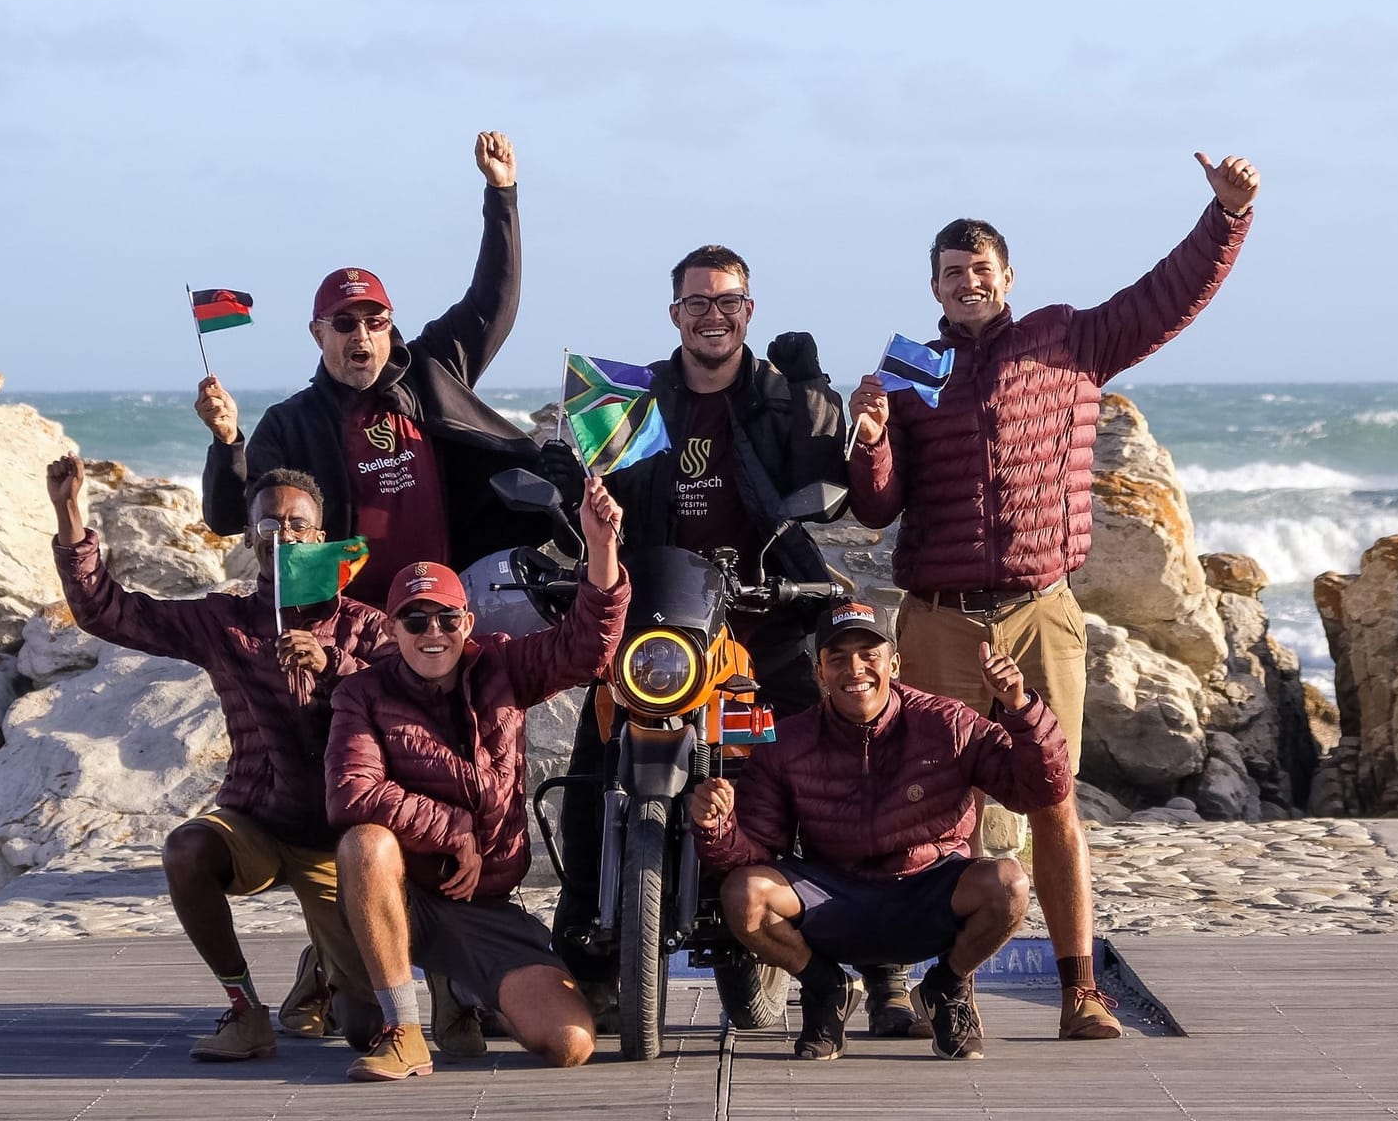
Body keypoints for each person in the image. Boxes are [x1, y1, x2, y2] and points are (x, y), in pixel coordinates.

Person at [846, 151, 1261, 1039]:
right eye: (951, 273)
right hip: (939, 618)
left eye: (980, 269)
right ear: (933, 286)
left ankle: (1080, 993)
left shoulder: (1068, 338)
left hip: (1040, 612)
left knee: (1052, 799)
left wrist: (1225, 219)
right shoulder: (910, 369)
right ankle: (934, 986)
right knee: (931, 808)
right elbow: (878, 507)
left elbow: (1166, 296)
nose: (967, 282)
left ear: (1008, 277)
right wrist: (872, 440)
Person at [538, 244, 919, 1023]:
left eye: (727, 302)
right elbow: (602, 498)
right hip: (658, 629)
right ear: (674, 313)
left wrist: (833, 409)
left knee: (836, 772)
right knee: (589, 775)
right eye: (697, 302)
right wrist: (565, 487)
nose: (712, 315)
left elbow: (831, 485)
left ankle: (883, 968)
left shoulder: (782, 397)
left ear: (749, 310)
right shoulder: (636, 398)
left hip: (762, 627)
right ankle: (591, 957)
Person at [46, 455, 387, 1063]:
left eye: (296, 524)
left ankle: (321, 969)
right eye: (267, 525)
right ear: (249, 537)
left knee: (363, 1030)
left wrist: (333, 664)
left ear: (320, 536)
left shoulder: (363, 625)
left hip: (339, 839)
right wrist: (69, 513)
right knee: (186, 848)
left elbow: (407, 697)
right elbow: (107, 611)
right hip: (258, 821)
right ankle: (244, 1010)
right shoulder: (224, 621)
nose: (282, 535)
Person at [326, 476, 630, 1081]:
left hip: (481, 903)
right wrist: (453, 828)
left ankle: (462, 987)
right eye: (414, 620)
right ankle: (400, 1028)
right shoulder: (361, 693)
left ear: (467, 622)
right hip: (400, 895)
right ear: (392, 629)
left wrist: (600, 549)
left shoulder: (502, 665)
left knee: (569, 1042)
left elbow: (586, 648)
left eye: (446, 618)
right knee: (365, 846)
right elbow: (351, 793)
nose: (432, 633)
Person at [689, 601, 1070, 1061]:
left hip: (929, 893)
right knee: (743, 893)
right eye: (838, 658)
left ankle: (946, 988)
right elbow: (756, 856)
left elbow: (1040, 791)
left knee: (1009, 883)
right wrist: (717, 827)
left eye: (869, 655)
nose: (855, 669)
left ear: (895, 663)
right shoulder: (785, 742)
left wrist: (1020, 707)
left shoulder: (949, 722)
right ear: (819, 673)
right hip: (834, 899)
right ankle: (825, 989)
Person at [195, 130, 542, 607]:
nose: (361, 335)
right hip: (348, 618)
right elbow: (229, 517)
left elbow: (492, 302)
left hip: (442, 610)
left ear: (388, 328)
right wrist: (227, 441)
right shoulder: (291, 424)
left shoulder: (430, 370)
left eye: (374, 322)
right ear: (318, 334)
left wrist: (501, 195)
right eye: (344, 324)